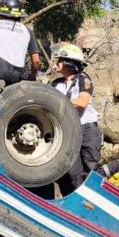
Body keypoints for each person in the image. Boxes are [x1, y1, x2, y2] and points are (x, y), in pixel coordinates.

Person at [49, 43, 101, 194]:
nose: (56, 63)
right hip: (67, 131)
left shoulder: (84, 81)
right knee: (71, 173)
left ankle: (94, 203)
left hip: (87, 131)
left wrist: (57, 100)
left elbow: (82, 102)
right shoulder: (56, 84)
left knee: (91, 170)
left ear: (69, 63)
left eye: (60, 60)